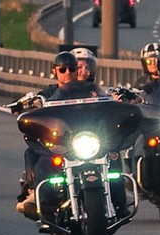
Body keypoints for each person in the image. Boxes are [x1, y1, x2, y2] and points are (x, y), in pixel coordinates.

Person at [12, 50, 103, 219]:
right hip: (59, 142)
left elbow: (103, 99)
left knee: (110, 157)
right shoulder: (49, 93)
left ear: (77, 70)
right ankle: (36, 195)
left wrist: (116, 98)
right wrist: (32, 103)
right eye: (63, 69)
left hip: (85, 139)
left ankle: (117, 194)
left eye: (71, 69)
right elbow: (37, 99)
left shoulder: (89, 90)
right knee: (41, 158)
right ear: (55, 71)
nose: (67, 72)